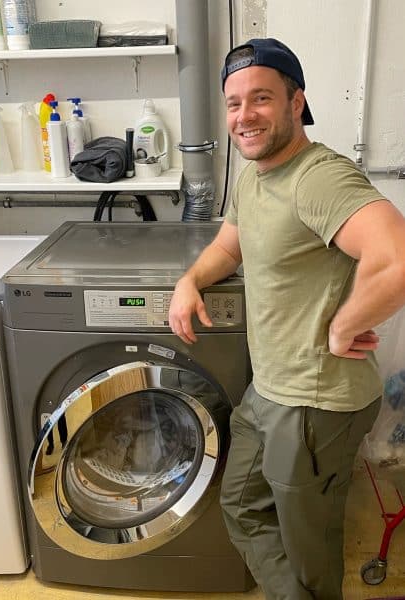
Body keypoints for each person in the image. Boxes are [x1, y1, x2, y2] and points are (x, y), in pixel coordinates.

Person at [168, 37, 405, 600]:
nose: (244, 115)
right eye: (234, 103)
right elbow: (229, 246)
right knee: (241, 506)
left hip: (313, 405)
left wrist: (343, 326)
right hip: (270, 390)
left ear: (296, 102)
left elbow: (398, 258)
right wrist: (189, 280)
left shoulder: (317, 177)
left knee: (309, 551)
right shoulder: (255, 175)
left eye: (261, 98)